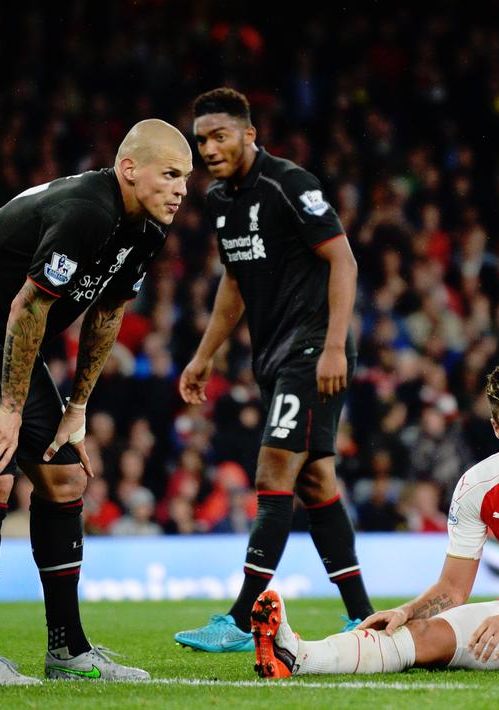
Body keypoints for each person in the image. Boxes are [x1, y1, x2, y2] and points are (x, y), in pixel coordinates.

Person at [0, 119, 193, 685]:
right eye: (171, 174)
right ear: (130, 169)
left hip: (12, 337)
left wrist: (78, 405)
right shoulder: (88, 210)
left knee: (65, 481)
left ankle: (68, 650)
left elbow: (106, 314)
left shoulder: (147, 230)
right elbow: (28, 306)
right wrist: (9, 407)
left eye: (187, 179)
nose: (181, 189)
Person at [251, 360, 499, 679]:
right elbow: (453, 589)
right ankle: (296, 656)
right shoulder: (477, 485)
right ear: (497, 429)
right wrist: (406, 612)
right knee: (414, 635)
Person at [173, 87, 374, 652]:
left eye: (219, 136)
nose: (209, 148)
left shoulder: (290, 185)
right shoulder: (219, 201)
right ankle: (362, 615)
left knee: (273, 475)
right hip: (274, 355)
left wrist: (335, 345)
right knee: (315, 481)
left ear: (248, 135)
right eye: (201, 140)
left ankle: (240, 618)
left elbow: (343, 259)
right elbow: (234, 282)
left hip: (312, 351)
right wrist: (204, 354)